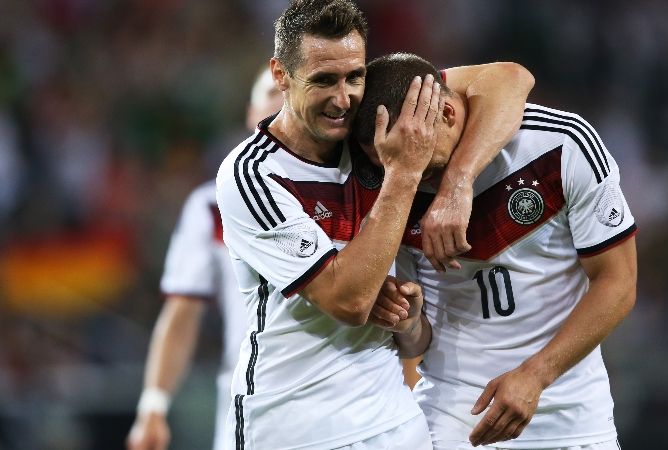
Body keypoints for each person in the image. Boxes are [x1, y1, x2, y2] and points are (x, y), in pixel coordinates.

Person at [214, 1, 533, 448]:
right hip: (295, 426)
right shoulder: (253, 175)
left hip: (394, 423)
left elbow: (510, 79)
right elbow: (349, 301)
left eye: (354, 77)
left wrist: (457, 184)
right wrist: (404, 174)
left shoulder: (371, 132)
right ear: (281, 75)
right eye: (323, 80)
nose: (343, 99)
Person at [355, 53, 638, 450]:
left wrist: (536, 375)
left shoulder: (560, 145)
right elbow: (416, 344)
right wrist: (409, 322)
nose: (415, 178)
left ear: (449, 114)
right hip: (452, 423)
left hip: (572, 422)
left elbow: (618, 283)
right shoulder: (393, 186)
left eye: (426, 164)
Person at [126, 68, 283, 450]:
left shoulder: (356, 195)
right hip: (251, 401)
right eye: (274, 90)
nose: (285, 101)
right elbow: (182, 312)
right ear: (251, 112)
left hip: (348, 400)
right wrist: (154, 404)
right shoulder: (211, 206)